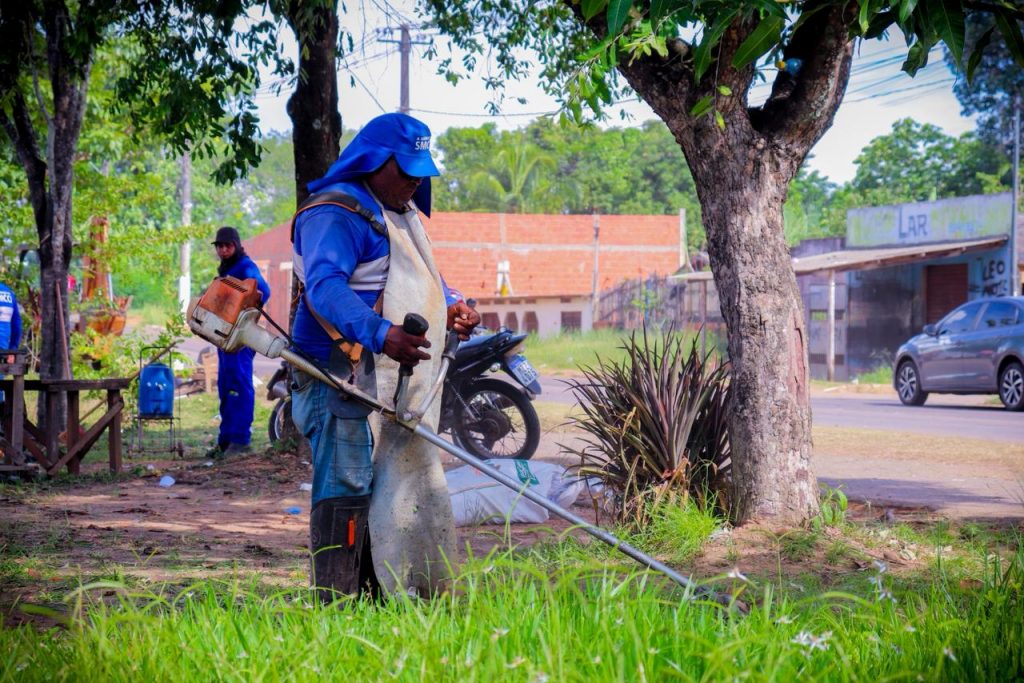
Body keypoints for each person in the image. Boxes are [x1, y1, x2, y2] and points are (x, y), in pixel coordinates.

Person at [290, 112, 479, 601]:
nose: (416, 181)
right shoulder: (334, 213)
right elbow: (326, 288)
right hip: (337, 375)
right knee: (348, 484)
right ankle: (338, 603)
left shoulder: (397, 211)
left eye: (422, 172)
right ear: (374, 162)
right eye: (406, 170)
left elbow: (422, 279)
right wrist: (380, 332)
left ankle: (386, 597)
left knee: (394, 483)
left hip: (385, 375)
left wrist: (453, 304)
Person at [211, 226, 270, 457]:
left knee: (240, 385)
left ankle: (241, 440)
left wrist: (245, 313)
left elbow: (264, 291)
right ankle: (225, 440)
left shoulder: (245, 266)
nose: (223, 250)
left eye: (228, 246)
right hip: (225, 337)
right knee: (226, 386)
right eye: (220, 246)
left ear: (236, 246)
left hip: (241, 339)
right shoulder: (227, 269)